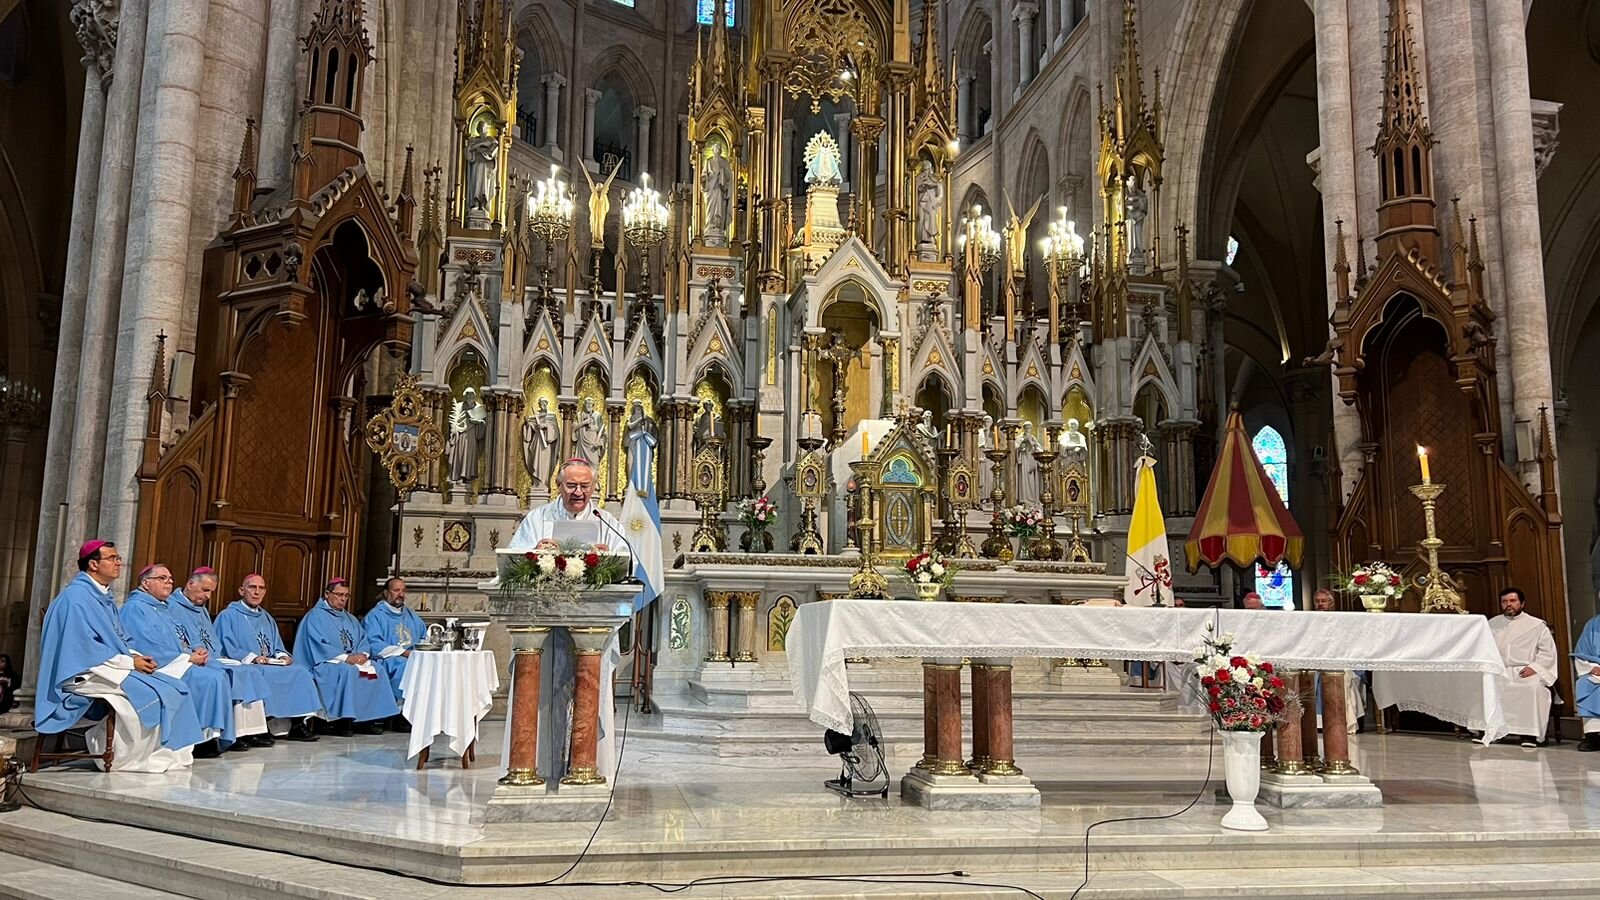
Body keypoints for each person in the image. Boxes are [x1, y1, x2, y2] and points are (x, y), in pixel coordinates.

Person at [34, 541, 203, 772]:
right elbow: (82, 648)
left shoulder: (102, 597)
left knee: (175, 687)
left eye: (118, 557)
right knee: (154, 693)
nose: (118, 563)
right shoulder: (75, 599)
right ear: (93, 564)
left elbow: (118, 639)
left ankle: (170, 754)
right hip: (82, 672)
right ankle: (131, 759)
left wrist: (135, 656)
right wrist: (129, 661)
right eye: (112, 558)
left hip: (106, 667)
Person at [120, 564, 264, 756]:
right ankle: (201, 739)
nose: (169, 582)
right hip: (160, 666)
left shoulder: (159, 607)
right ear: (146, 583)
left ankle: (213, 735)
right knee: (211, 678)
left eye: (170, 579)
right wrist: (187, 657)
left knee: (217, 675)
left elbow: (179, 638)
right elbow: (147, 646)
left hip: (177, 661)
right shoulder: (135, 608)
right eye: (162, 578)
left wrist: (191, 653)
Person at [179, 569, 320, 742]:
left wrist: (283, 655)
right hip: (249, 663)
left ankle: (298, 725)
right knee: (256, 673)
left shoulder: (266, 617)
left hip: (269, 662)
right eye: (252, 587)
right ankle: (263, 726)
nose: (256, 592)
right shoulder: (228, 615)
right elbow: (226, 645)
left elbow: (276, 644)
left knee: (301, 672)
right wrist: (253, 657)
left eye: (261, 588)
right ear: (241, 591)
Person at [292, 578, 400, 736]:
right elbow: (317, 645)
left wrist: (362, 655)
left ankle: (366, 720)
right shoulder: (315, 616)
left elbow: (363, 640)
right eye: (339, 595)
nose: (343, 599)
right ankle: (343, 721)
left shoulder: (350, 618)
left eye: (346, 596)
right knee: (348, 672)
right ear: (327, 594)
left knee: (377, 670)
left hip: (351, 661)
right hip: (324, 662)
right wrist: (345, 658)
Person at [1488, 587, 1559, 748]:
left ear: (1522, 603)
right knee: (1487, 686)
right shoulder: (1493, 624)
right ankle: (1495, 730)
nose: (1508, 605)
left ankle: (1529, 734)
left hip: (1526, 670)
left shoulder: (1536, 625)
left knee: (1532, 688)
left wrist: (1535, 667)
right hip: (1500, 670)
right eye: (1505, 601)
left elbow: (1548, 652)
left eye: (1513, 601)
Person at [509, 458, 624, 550]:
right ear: (558, 485)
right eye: (571, 485)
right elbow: (513, 559)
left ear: (594, 486)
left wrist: (608, 559)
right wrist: (535, 553)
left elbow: (627, 561)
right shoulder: (537, 518)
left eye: (585, 486)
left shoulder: (608, 522)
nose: (578, 492)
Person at [363, 576, 424, 730]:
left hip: (411, 656)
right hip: (386, 658)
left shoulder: (410, 614)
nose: (401, 594)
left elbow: (424, 635)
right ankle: (400, 714)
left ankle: (421, 712)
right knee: (404, 666)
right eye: (396, 590)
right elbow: (373, 643)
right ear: (386, 593)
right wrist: (402, 652)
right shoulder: (375, 615)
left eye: (403, 591)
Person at [1309, 588, 1366, 734]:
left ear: (1331, 603)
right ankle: (1317, 722)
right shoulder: (1309, 621)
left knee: (1340, 675)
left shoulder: (1341, 620)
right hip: (1316, 660)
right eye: (1317, 601)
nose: (1320, 604)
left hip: (1339, 659)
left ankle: (1339, 719)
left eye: (1323, 601)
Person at [1571, 599, 1600, 751]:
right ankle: (1592, 736)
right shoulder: (1592, 625)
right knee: (1585, 683)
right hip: (1597, 670)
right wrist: (1592, 667)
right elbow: (1581, 654)